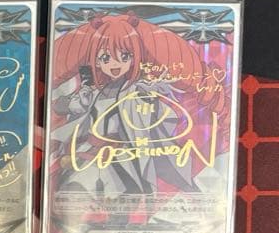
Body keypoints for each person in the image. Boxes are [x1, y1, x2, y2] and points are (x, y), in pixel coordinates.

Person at [48, 13, 229, 205]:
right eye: (106, 57)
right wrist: (74, 104)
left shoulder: (135, 88)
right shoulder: (93, 91)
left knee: (143, 180)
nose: (115, 64)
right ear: (97, 61)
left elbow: (161, 102)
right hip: (93, 149)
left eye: (124, 56)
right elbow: (63, 109)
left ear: (134, 58)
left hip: (127, 150)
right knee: (77, 182)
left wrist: (150, 96)